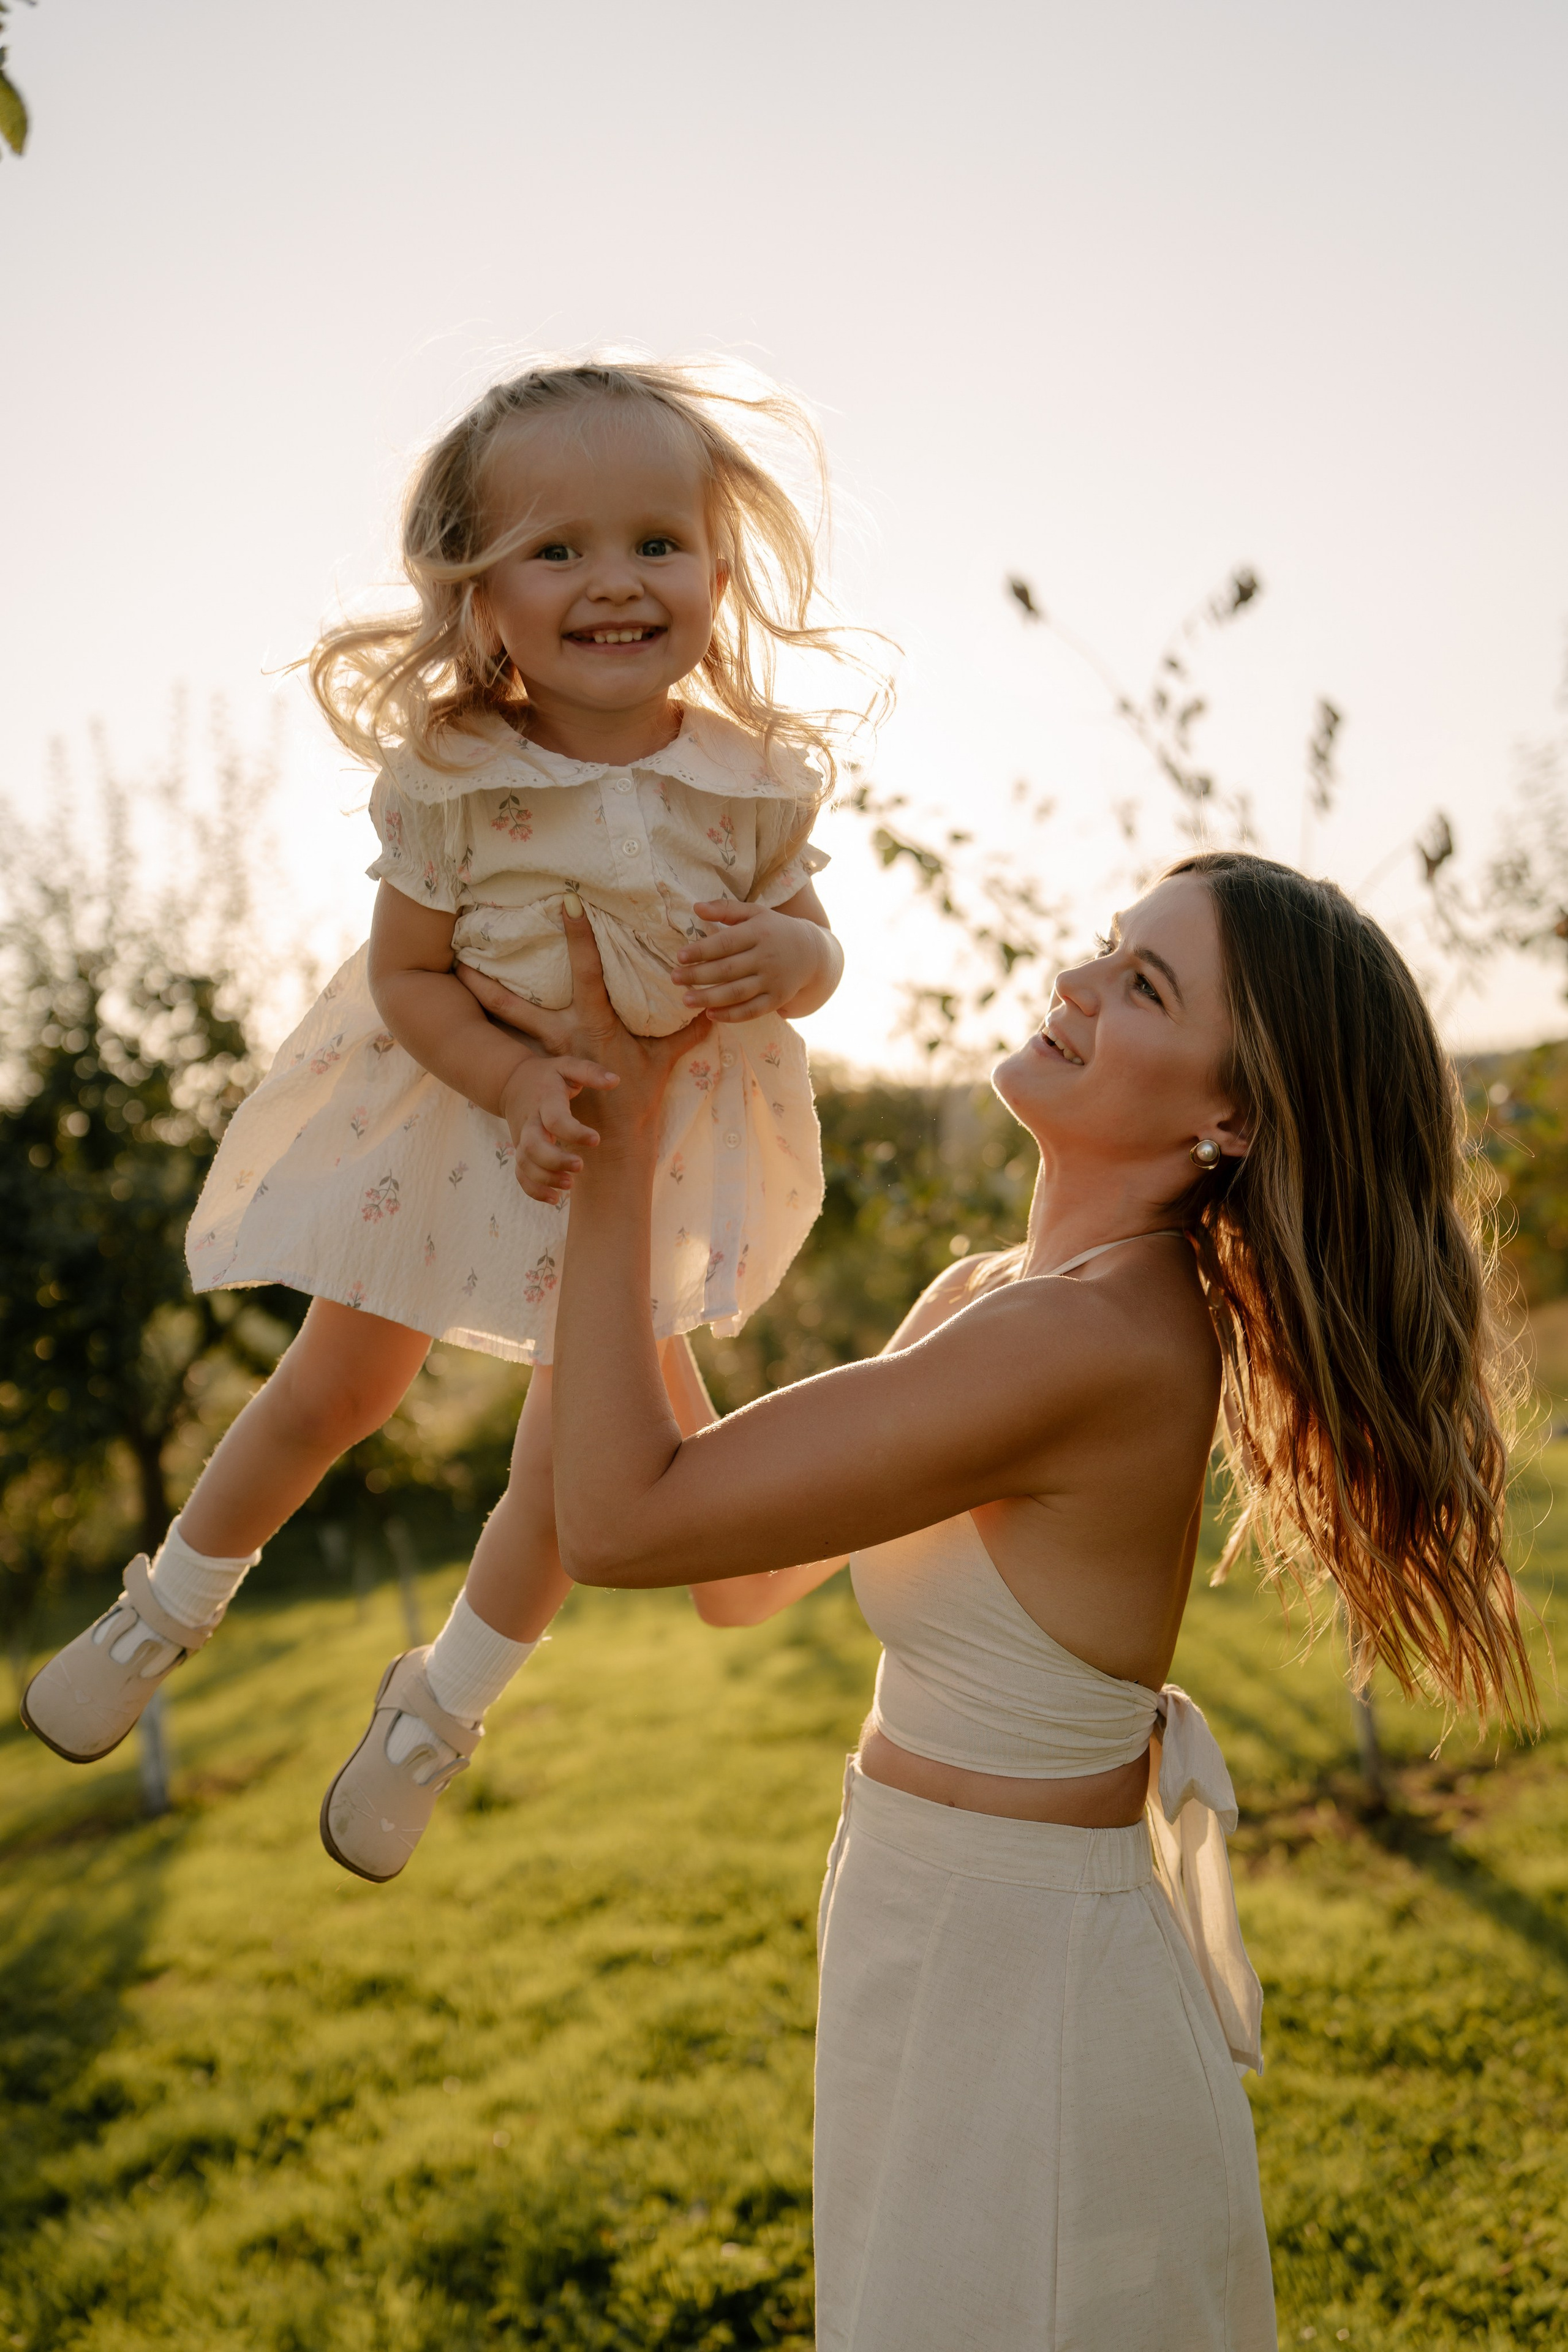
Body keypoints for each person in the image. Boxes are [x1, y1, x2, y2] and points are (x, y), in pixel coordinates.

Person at [466, 852, 1535, 2350]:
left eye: (1143, 985)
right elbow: (736, 1577)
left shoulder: (1092, 1337)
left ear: (1227, 1115)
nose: (1077, 984)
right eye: (1107, 948)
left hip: (1030, 1984)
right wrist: (621, 1192)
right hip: (920, 1927)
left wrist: (623, 1145)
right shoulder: (987, 1296)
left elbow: (617, 1523)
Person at [23, 358, 882, 1883]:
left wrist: (791, 960)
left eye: (652, 543)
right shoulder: (457, 777)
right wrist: (510, 1079)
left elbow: (810, 946)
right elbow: (405, 978)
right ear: (478, 593)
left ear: (716, 567)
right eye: (556, 550)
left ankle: (438, 1712)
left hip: (650, 1148)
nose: (612, 583)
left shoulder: (746, 785)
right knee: (339, 1378)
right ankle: (170, 1606)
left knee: (571, 1461)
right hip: (464, 1113)